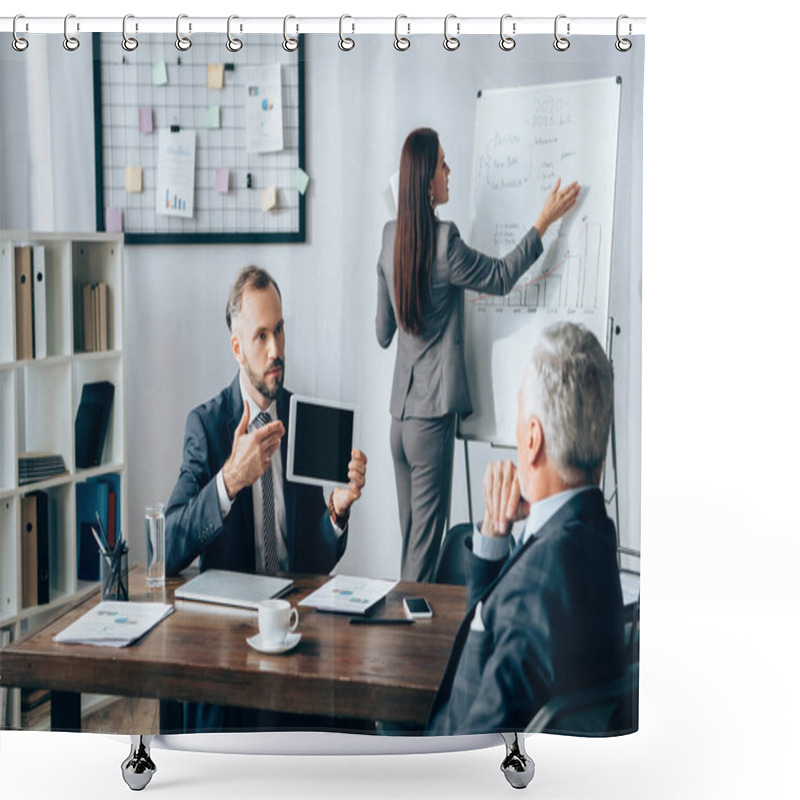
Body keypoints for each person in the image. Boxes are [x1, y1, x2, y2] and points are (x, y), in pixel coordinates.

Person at [165, 265, 368, 732]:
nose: (276, 349)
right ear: (237, 348)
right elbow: (166, 551)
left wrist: (336, 510)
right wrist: (229, 481)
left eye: (279, 330)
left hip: (293, 630)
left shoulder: (302, 418)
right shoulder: (207, 426)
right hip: (228, 645)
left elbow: (311, 560)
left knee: (354, 719)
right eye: (260, 336)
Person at [376, 127, 580, 582]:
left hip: (399, 420)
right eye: (444, 165)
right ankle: (413, 651)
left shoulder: (390, 237)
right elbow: (503, 276)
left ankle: (405, 642)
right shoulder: (444, 241)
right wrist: (543, 221)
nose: (450, 172)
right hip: (430, 424)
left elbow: (382, 333)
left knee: (411, 547)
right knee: (421, 564)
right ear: (427, 180)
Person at [426, 322, 625, 735]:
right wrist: (496, 536)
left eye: (518, 414)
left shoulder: (536, 590)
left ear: (532, 438)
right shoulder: (595, 534)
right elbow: (494, 628)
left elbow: (473, 752)